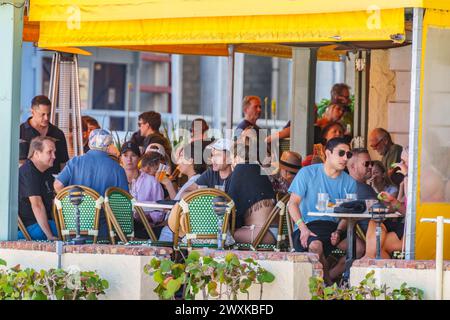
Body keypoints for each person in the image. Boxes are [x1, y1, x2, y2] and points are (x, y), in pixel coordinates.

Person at [288, 137, 362, 284]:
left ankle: (329, 279)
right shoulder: (307, 173)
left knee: (359, 248)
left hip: (333, 228)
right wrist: (302, 228)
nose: (344, 158)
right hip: (308, 225)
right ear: (328, 153)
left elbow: (348, 215)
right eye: (341, 153)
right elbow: (292, 204)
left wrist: (339, 231)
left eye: (348, 155)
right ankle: (328, 286)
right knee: (316, 246)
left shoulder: (350, 182)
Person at [54, 129, 129, 238]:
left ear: (89, 143)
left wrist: (70, 205)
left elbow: (57, 185)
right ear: (108, 146)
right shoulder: (117, 169)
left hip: (73, 227)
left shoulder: (75, 162)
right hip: (103, 231)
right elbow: (123, 205)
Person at [227, 142, 277, 245]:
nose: (230, 162)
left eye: (231, 158)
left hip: (261, 234)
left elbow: (231, 208)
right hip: (275, 232)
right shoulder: (259, 170)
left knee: (224, 235)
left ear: (236, 157)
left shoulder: (240, 169)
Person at [363, 148, 408, 259]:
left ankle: (367, 259)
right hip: (406, 227)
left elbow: (415, 213)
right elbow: (406, 210)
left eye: (404, 161)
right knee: (375, 224)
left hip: (417, 230)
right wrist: (393, 200)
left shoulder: (421, 179)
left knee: (378, 246)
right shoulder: (409, 180)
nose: (400, 164)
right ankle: (371, 261)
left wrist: (407, 176)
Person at [158, 141, 208, 242]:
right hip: (177, 226)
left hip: (180, 229)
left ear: (190, 160)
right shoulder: (192, 180)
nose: (177, 161)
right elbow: (176, 201)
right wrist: (168, 184)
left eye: (181, 156)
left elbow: (180, 207)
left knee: (151, 230)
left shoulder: (196, 182)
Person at [18, 136, 59, 240]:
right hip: (28, 227)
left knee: (71, 226)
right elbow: (37, 205)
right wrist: (50, 236)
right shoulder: (29, 172)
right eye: (49, 152)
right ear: (36, 153)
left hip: (41, 223)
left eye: (54, 152)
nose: (54, 156)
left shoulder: (46, 172)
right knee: (65, 230)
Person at [20, 95, 69, 174]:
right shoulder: (20, 132)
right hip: (29, 181)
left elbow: (63, 163)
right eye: (42, 114)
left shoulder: (58, 133)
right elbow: (18, 164)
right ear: (32, 112)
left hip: (52, 181)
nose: (46, 118)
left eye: (48, 114)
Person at [120, 142, 165, 227]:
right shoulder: (115, 179)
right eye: (125, 155)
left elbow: (160, 211)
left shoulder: (152, 181)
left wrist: (142, 218)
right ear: (120, 158)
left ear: (139, 158)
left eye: (133, 155)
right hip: (119, 227)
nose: (129, 159)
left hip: (144, 228)